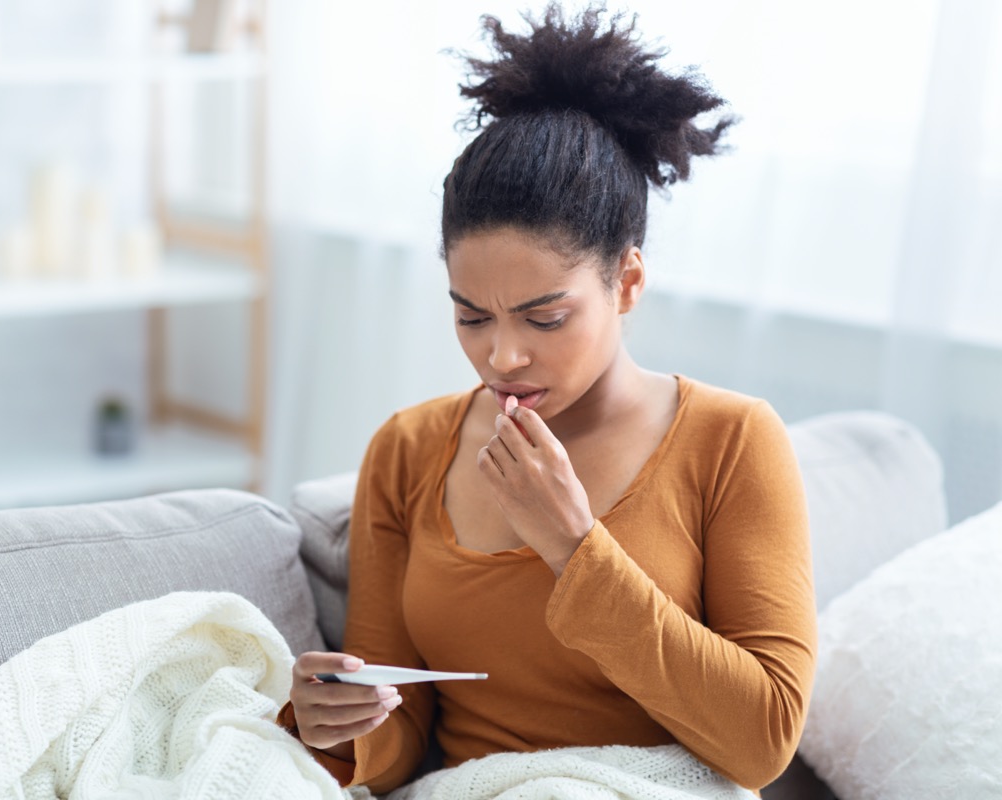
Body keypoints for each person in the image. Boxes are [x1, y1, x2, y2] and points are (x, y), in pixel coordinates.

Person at [278, 3, 816, 794]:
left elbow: (764, 738)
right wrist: (340, 725)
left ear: (626, 281)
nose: (501, 356)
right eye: (470, 315)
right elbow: (397, 733)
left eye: (545, 317)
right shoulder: (408, 448)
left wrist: (574, 547)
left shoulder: (731, 441)